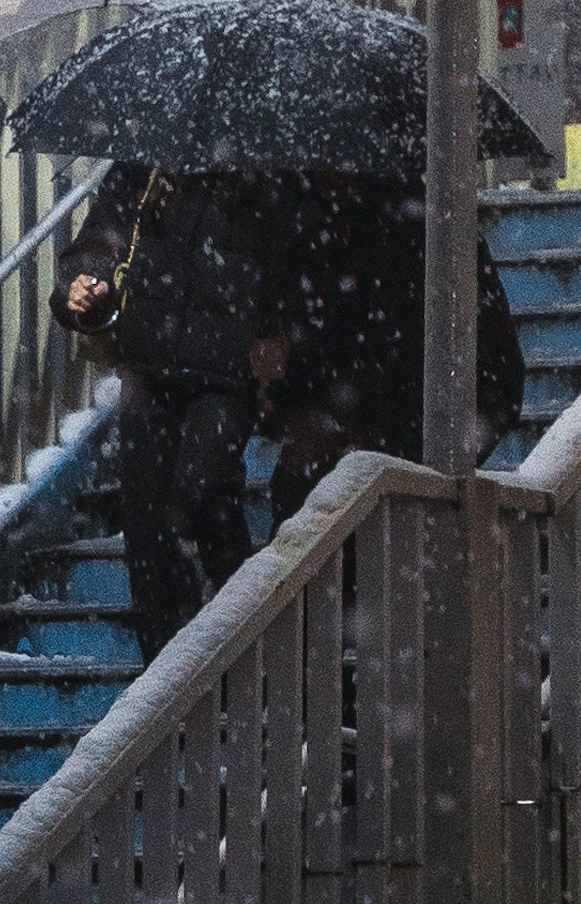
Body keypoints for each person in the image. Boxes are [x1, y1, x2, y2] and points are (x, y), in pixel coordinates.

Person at [54, 162, 314, 668]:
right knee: (146, 527)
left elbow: (296, 261)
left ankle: (241, 639)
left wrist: (281, 333)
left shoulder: (271, 169)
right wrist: (83, 285)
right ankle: (165, 673)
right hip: (149, 366)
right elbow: (100, 241)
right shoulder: (148, 161)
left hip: (227, 372)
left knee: (201, 491)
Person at [263, 173, 528, 501]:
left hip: (362, 480)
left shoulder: (321, 241)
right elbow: (502, 373)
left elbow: (501, 374)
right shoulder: (438, 232)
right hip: (359, 482)